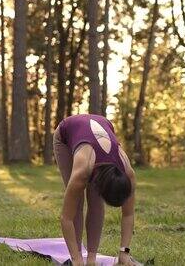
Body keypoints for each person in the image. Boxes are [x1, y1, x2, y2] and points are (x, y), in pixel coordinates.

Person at [54, 114, 136, 266]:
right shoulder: (82, 171)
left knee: (96, 202)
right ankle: (77, 254)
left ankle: (92, 257)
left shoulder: (128, 172)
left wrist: (124, 253)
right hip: (66, 134)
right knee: (76, 202)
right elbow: (66, 218)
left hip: (101, 127)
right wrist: (76, 259)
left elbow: (128, 214)